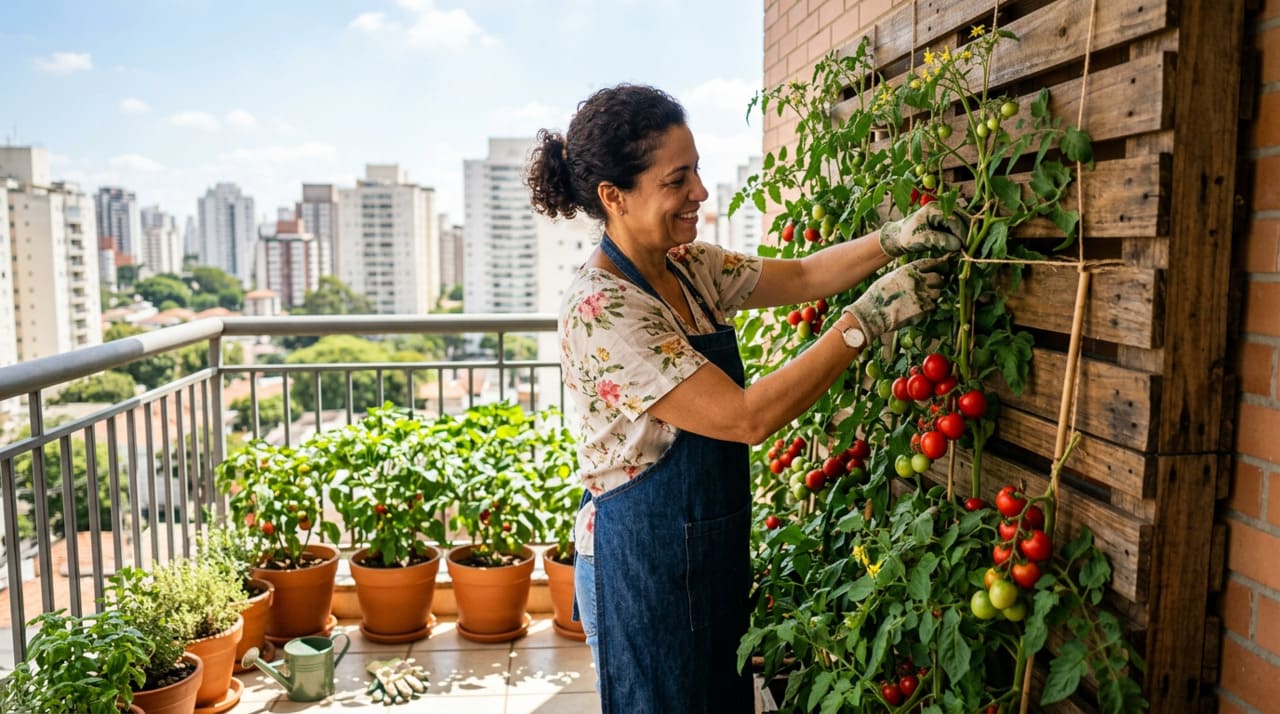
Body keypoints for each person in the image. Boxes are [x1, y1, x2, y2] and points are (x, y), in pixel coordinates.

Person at [525, 83, 962, 713]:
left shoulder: (689, 266)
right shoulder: (603, 309)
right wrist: (865, 320)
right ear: (614, 197)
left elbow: (807, 274)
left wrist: (889, 239)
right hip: (642, 566)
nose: (700, 192)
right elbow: (744, 417)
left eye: (696, 170)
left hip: (708, 548)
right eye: (678, 180)